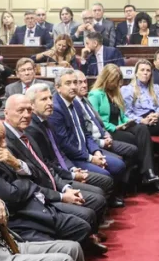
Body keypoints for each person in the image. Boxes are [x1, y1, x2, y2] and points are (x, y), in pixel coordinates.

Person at [0, 115, 101, 253]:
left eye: (4, 138)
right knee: (70, 244)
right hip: (23, 218)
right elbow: (12, 195)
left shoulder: (1, 152)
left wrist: (16, 164)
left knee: (83, 224)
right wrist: (27, 183)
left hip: (39, 201)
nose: (4, 144)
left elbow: (36, 172)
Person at [1, 96, 111, 223]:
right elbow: (27, 183)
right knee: (89, 211)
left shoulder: (26, 135)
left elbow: (45, 167)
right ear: (6, 112)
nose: (26, 115)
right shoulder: (5, 143)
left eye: (29, 110)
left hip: (53, 184)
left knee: (97, 196)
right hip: (37, 198)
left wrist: (65, 188)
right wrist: (61, 196)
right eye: (20, 110)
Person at [23, 84, 117, 203]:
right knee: (100, 191)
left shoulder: (47, 121)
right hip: (55, 177)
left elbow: (59, 152)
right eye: (43, 99)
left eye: (50, 98)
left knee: (105, 182)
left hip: (65, 168)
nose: (50, 102)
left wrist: (72, 169)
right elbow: (47, 164)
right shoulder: (33, 129)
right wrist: (71, 175)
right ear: (32, 105)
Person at [49, 71, 129, 202]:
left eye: (75, 82)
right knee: (105, 175)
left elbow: (86, 133)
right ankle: (106, 204)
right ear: (58, 87)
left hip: (86, 151)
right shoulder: (56, 109)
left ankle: (112, 198)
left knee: (119, 164)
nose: (73, 86)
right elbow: (65, 145)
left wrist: (96, 151)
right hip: (73, 157)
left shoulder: (75, 103)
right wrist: (91, 159)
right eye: (68, 83)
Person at [87, 65, 159, 193]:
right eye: (114, 80)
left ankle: (148, 172)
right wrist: (115, 127)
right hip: (108, 131)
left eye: (118, 80)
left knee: (142, 129)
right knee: (133, 139)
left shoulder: (116, 93)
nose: (116, 84)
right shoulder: (96, 94)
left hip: (121, 127)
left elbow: (123, 115)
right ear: (106, 79)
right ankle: (146, 176)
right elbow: (96, 120)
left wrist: (127, 122)